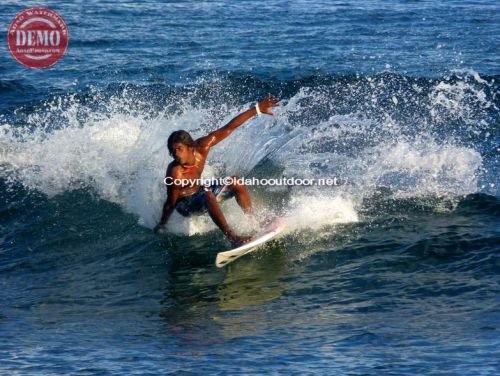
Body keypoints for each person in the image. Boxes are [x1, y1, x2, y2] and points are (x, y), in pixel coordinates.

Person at [154, 96, 279, 246]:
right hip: (186, 205)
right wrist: (162, 223)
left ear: (189, 147)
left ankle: (254, 221)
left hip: (199, 192)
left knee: (236, 181)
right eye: (172, 151)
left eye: (179, 149)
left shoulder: (202, 147)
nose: (175, 154)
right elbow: (171, 203)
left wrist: (257, 109)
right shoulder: (175, 173)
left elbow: (229, 128)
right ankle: (233, 238)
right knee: (207, 195)